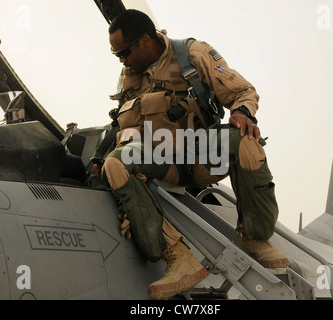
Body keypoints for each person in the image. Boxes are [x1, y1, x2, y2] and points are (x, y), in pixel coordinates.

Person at [100, 9, 289, 300]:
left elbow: (244, 91)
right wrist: (127, 194)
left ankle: (255, 239)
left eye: (123, 52)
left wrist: (241, 112)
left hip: (201, 155)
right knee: (115, 163)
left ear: (146, 41)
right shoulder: (129, 78)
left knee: (246, 140)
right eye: (117, 55)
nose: (121, 60)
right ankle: (178, 258)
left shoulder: (193, 54)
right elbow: (127, 130)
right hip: (163, 161)